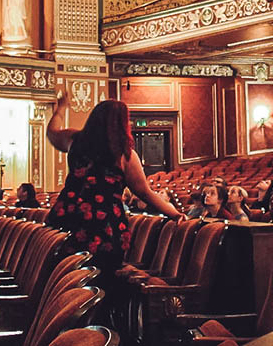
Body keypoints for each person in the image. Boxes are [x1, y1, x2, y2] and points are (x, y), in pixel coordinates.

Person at [46, 98, 183, 286]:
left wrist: (60, 109)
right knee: (102, 278)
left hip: (70, 215)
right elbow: (144, 192)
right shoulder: (124, 155)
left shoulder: (74, 141)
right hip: (105, 224)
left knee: (68, 276)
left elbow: (52, 133)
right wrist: (174, 213)